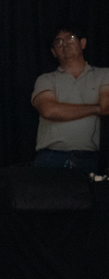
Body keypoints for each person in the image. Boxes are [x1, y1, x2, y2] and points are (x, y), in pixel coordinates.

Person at [32, 24, 109, 174]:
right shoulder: (45, 79)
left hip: (88, 158)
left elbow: (106, 107)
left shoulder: (104, 75)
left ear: (83, 43)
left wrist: (63, 109)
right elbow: (49, 110)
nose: (65, 44)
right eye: (58, 41)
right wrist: (95, 108)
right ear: (54, 52)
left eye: (70, 38)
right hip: (50, 157)